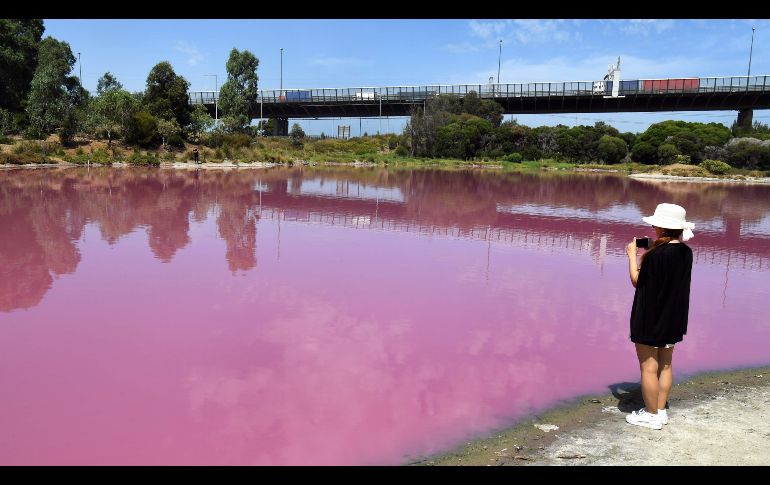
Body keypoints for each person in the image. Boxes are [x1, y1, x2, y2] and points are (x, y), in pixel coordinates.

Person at [624, 203, 695, 430]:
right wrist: (652, 250)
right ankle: (661, 410)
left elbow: (638, 281)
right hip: (674, 318)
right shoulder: (686, 252)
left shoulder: (656, 256)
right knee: (665, 364)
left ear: (661, 227)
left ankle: (651, 415)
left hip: (650, 317)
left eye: (656, 223)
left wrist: (632, 256)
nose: (653, 226)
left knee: (648, 367)